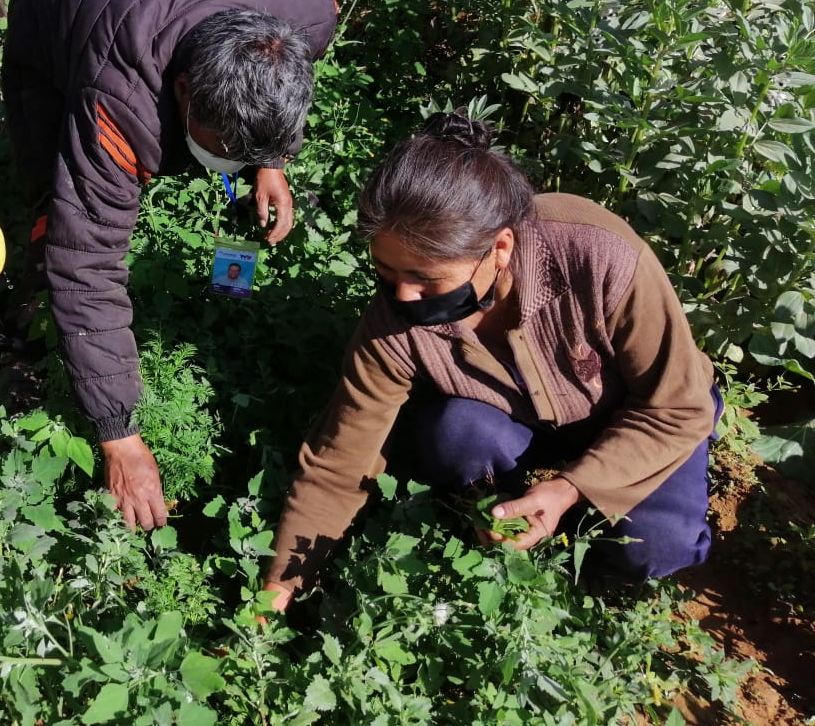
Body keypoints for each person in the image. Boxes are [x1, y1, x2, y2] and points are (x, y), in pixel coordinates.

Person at [264, 112, 720, 609]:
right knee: (455, 434)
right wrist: (277, 593)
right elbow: (337, 465)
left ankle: (583, 558)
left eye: (426, 278)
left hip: (641, 412)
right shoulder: (391, 325)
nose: (406, 296)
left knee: (657, 547)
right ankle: (504, 518)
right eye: (385, 270)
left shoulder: (597, 252)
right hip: (518, 423)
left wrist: (570, 490)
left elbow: (679, 406)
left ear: (500, 247)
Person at [2, 0, 338, 530]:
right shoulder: (118, 90)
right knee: (59, 201)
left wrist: (270, 163)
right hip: (61, 4)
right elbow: (90, 263)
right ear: (181, 91)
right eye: (226, 147)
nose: (229, 164)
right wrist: (118, 436)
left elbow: (272, 97)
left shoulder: (311, 13)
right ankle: (32, 313)